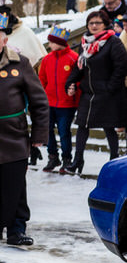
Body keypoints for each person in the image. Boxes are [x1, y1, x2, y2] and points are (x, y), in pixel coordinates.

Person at [0, 11, 48, 245]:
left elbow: (39, 101)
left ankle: (16, 229)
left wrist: (39, 136)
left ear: (5, 40)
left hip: (14, 135)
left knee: (15, 184)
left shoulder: (20, 63)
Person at [64, 11, 127, 174]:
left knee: (109, 128)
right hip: (89, 94)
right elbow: (79, 67)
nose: (94, 26)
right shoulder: (84, 43)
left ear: (105, 24)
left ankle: (113, 161)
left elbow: (121, 67)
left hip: (108, 94)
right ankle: (77, 161)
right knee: (82, 126)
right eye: (91, 23)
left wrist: (110, 87)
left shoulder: (113, 42)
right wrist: (70, 82)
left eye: (97, 23)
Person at [38, 26, 80, 173]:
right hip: (49, 102)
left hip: (66, 104)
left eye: (51, 42)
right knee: (48, 131)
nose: (49, 45)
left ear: (59, 42)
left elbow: (78, 79)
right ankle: (52, 157)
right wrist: (42, 95)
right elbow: (41, 79)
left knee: (64, 132)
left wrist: (75, 94)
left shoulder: (73, 58)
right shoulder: (47, 59)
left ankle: (67, 159)